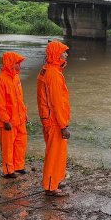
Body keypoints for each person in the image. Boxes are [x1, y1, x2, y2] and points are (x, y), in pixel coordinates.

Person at [37, 41, 71, 197]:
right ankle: (51, 186)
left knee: (56, 153)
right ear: (57, 54)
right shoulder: (54, 75)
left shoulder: (46, 71)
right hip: (54, 121)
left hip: (49, 119)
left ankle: (54, 181)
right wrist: (64, 125)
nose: (66, 54)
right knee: (54, 154)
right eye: (64, 52)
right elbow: (57, 103)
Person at [0, 51, 28, 179]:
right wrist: (6, 120)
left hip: (19, 118)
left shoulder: (16, 78)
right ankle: (8, 170)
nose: (19, 66)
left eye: (19, 63)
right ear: (10, 63)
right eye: (17, 63)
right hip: (8, 121)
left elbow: (20, 99)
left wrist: (24, 114)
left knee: (20, 143)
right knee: (8, 147)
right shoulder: (0, 80)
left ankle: (19, 166)